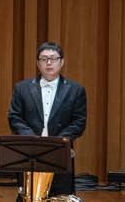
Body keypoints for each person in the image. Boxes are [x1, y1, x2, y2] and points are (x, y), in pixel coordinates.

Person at [7, 41, 87, 192]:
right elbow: (15, 117)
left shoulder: (76, 90)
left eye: (53, 58)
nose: (49, 63)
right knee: (28, 199)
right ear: (38, 63)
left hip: (60, 151)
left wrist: (57, 142)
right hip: (30, 151)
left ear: (61, 62)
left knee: (60, 195)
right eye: (44, 59)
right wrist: (32, 139)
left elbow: (79, 122)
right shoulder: (22, 88)